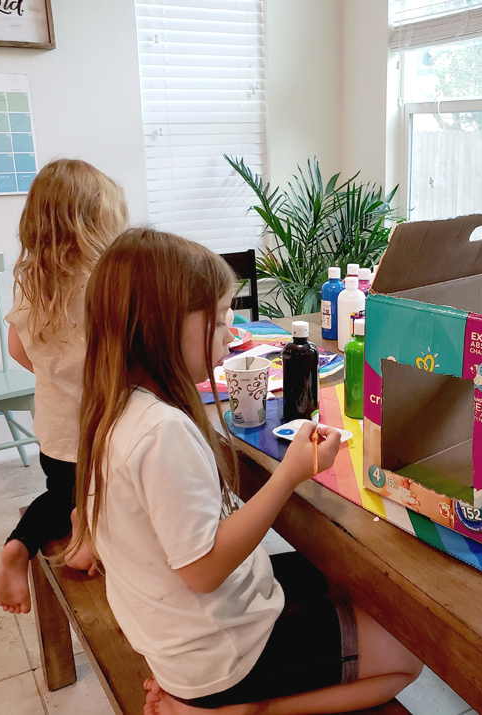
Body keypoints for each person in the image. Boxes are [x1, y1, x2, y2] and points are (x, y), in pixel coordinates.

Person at [68, 228, 422, 715]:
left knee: (352, 581)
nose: (230, 332)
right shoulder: (159, 432)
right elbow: (205, 570)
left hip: (181, 639)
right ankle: (242, 709)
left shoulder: (114, 411)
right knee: (409, 656)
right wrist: (288, 474)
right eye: (216, 323)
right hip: (218, 655)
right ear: (160, 330)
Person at [0, 159, 129, 615]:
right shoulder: (107, 286)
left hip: (55, 434)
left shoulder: (31, 285)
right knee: (122, 492)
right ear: (97, 222)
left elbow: (16, 350)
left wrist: (55, 375)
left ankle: (20, 545)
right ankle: (88, 533)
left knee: (59, 494)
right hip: (107, 432)